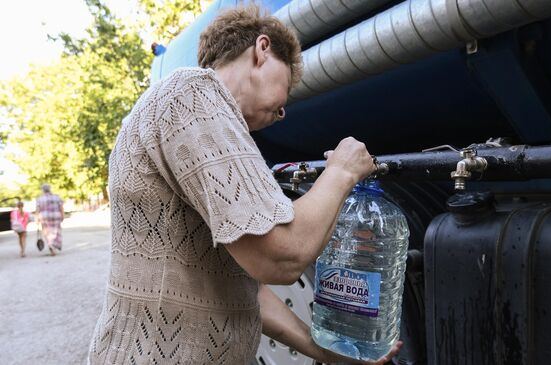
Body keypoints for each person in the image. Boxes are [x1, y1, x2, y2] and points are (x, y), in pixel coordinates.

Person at [88, 5, 401, 365]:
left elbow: (249, 291)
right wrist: (343, 171)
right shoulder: (193, 94)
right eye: (285, 89)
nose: (282, 113)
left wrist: (335, 356)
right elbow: (280, 257)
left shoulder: (190, 115)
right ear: (262, 50)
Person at [35, 184, 64, 256]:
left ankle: (50, 245)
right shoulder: (57, 197)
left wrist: (37, 219)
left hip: (44, 218)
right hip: (56, 216)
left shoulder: (40, 199)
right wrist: (62, 215)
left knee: (47, 232)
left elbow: (38, 210)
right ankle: (55, 244)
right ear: (50, 189)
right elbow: (61, 207)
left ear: (43, 190)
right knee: (56, 231)